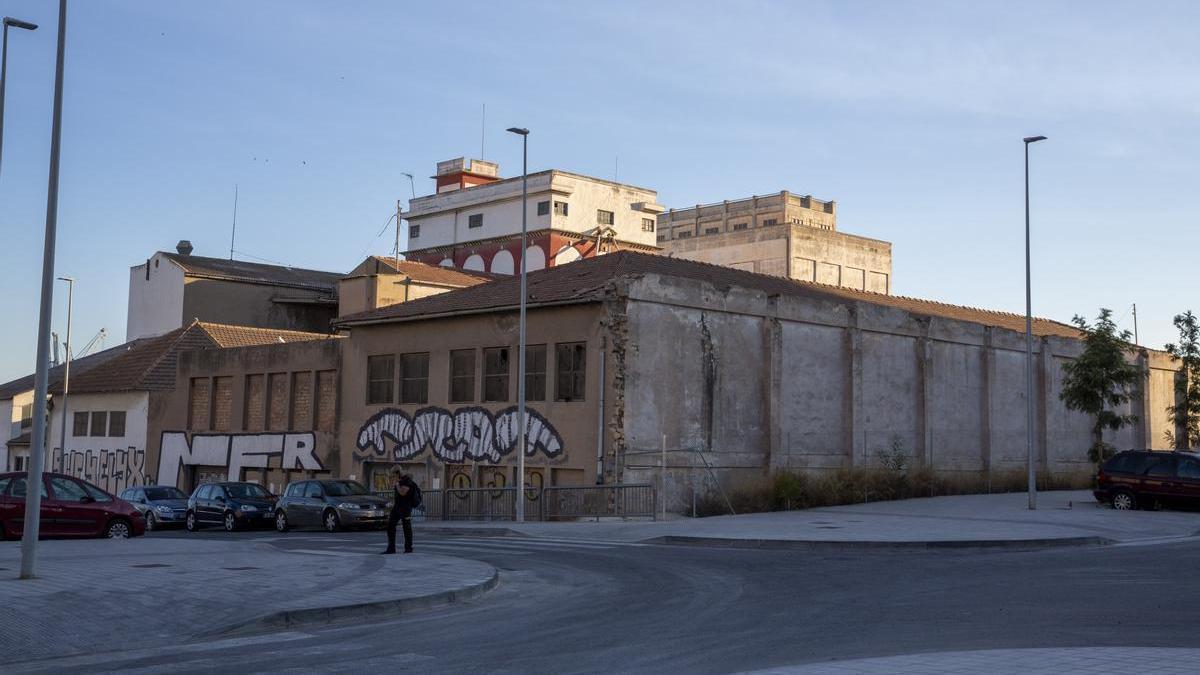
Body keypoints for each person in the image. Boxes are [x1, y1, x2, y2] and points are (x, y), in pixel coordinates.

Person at [382, 470, 419, 554]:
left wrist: (397, 485)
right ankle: (391, 548)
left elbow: (403, 492)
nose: (393, 477)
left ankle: (408, 548)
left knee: (407, 527)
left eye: (393, 475)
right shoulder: (401, 481)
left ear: (397, 473)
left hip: (405, 508)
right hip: (397, 507)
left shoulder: (407, 480)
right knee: (390, 526)